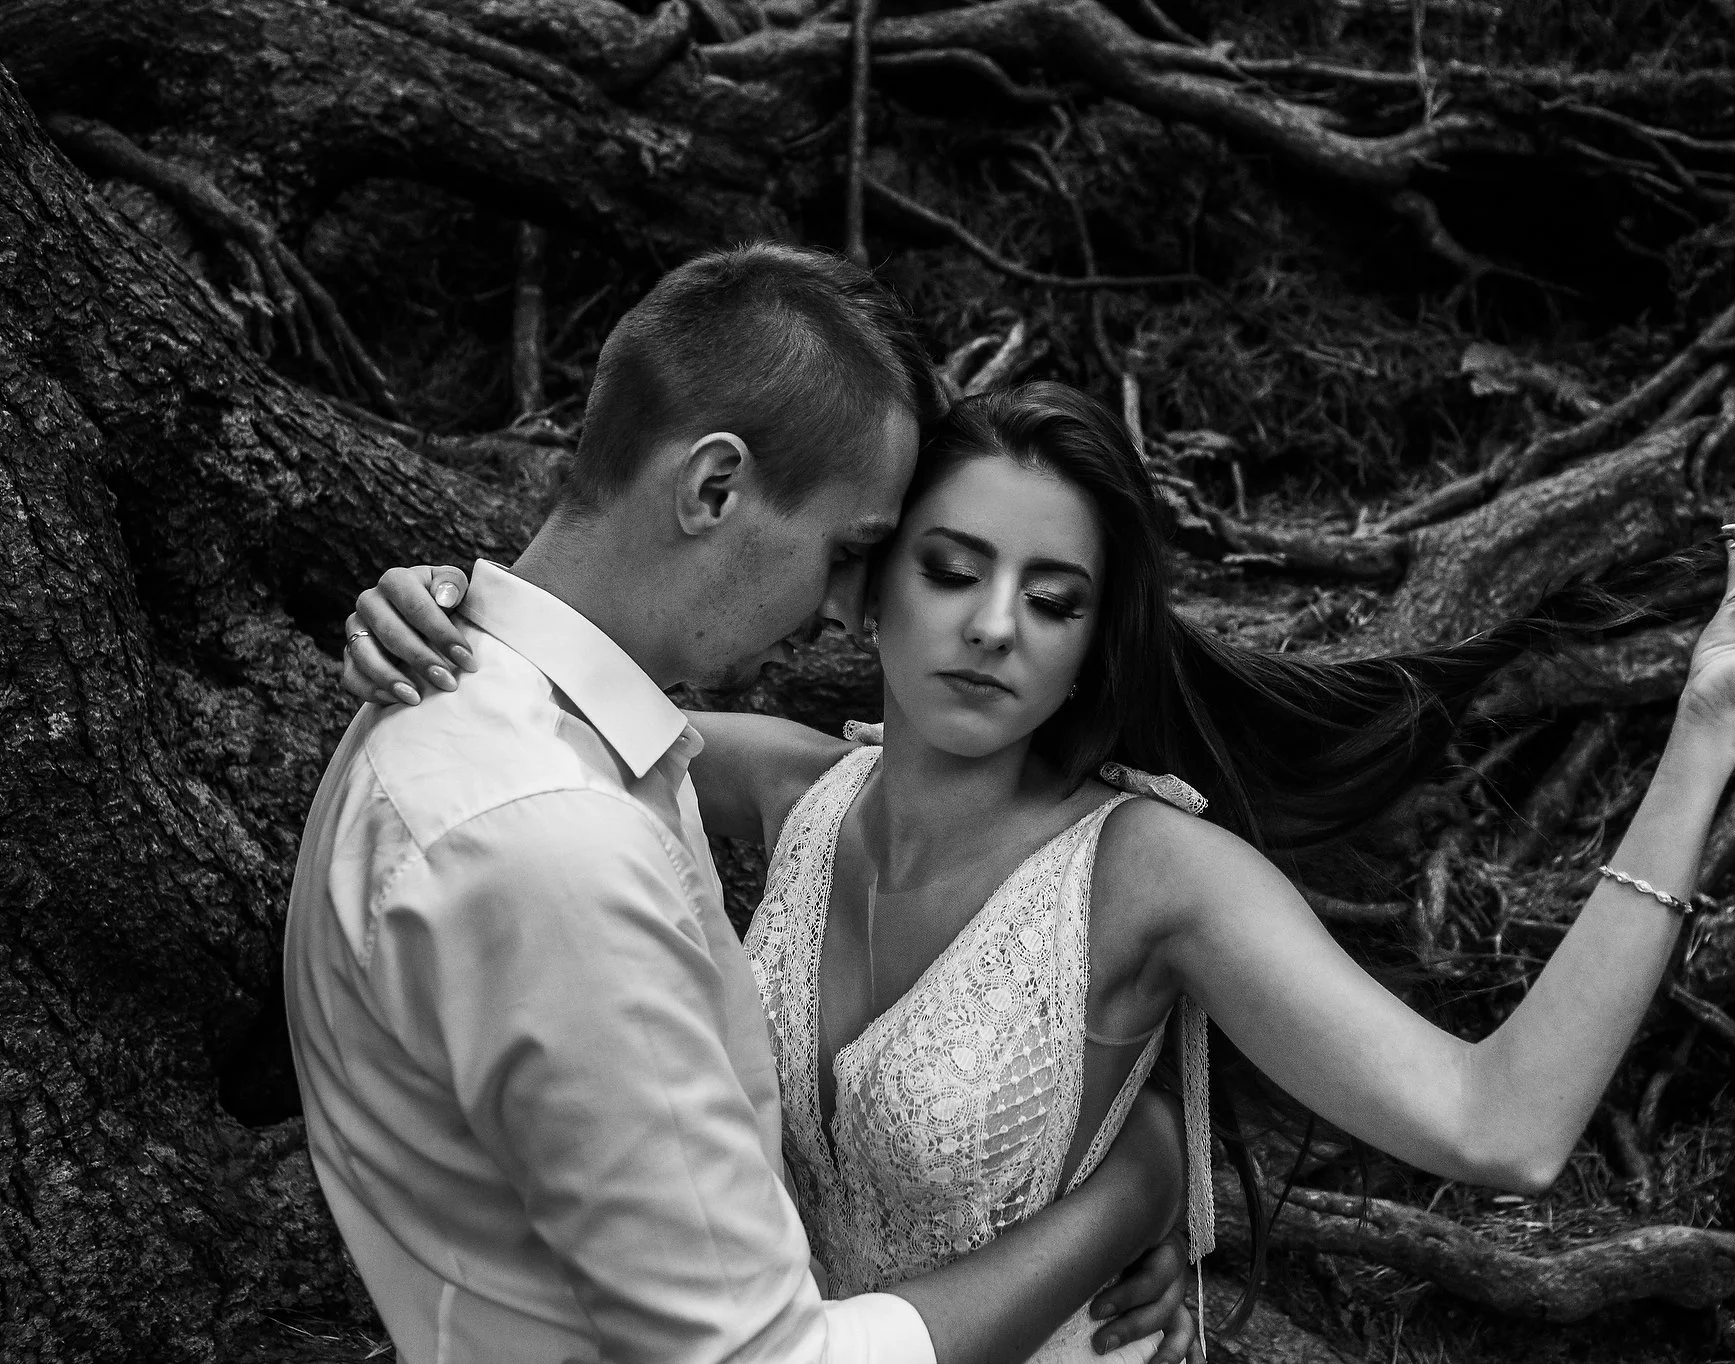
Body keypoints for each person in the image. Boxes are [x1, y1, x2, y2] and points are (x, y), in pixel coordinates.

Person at [346, 378, 1735, 1354]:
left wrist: (1705, 730)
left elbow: (1501, 1125)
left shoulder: (1150, 873)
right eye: (951, 570)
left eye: (1052, 598)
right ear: (867, 585)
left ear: (1092, 643)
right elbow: (565, 685)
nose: (994, 626)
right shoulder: (787, 786)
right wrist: (428, 605)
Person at [286, 248, 1201, 1364]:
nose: (845, 607)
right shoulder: (553, 844)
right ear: (713, 487)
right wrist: (1128, 1193)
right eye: (848, 550)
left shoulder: (480, 714)